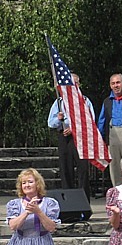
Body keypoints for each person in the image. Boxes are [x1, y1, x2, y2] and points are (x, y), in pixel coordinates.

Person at [47, 72, 93, 201]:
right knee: (65, 169)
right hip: (64, 138)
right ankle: (68, 201)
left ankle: (84, 201)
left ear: (78, 84)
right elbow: (51, 123)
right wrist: (59, 118)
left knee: (82, 171)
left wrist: (74, 129)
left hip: (80, 137)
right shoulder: (59, 102)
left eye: (74, 83)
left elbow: (91, 121)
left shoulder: (85, 101)